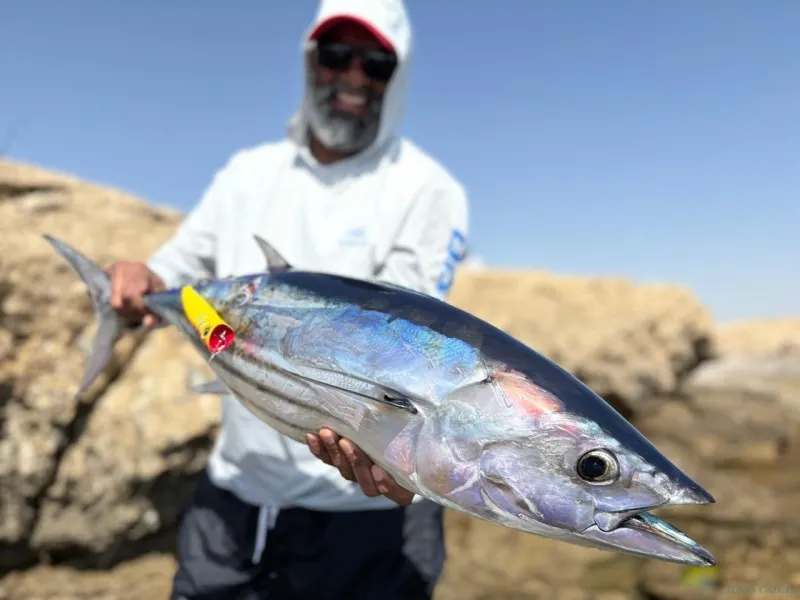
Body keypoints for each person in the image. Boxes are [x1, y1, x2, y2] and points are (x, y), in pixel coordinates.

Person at [106, 0, 470, 598]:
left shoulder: (427, 191)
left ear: (398, 76)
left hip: (366, 520)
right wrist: (143, 280)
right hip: (233, 503)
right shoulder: (247, 174)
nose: (353, 77)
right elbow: (176, 270)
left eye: (375, 64)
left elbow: (411, 348)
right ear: (310, 60)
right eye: (336, 55)